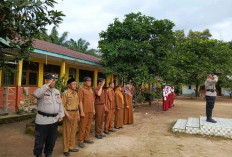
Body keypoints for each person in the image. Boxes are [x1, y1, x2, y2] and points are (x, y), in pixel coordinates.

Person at [33, 74, 64, 157]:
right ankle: (38, 155)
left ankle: (48, 154)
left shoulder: (56, 91)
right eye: (51, 80)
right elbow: (36, 94)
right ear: (46, 81)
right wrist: (46, 86)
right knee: (39, 142)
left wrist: (61, 115)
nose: (53, 82)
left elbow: (60, 104)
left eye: (54, 80)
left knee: (51, 140)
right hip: (43, 121)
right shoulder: (42, 91)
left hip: (54, 121)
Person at [62, 78, 80, 156]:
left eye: (76, 84)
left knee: (73, 131)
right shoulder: (65, 94)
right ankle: (65, 149)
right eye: (74, 84)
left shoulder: (76, 93)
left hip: (75, 113)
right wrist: (67, 115)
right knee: (67, 132)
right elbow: (62, 106)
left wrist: (78, 114)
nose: (75, 85)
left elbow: (77, 105)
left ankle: (71, 147)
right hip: (68, 114)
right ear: (69, 85)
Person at [78, 77, 95, 148]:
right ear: (85, 82)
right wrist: (81, 111)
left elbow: (93, 100)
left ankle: (87, 138)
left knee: (88, 125)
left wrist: (93, 109)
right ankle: (80, 141)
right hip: (84, 111)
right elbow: (80, 101)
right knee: (83, 126)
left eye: (90, 81)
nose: (90, 82)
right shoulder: (81, 89)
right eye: (88, 81)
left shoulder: (91, 90)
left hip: (90, 110)